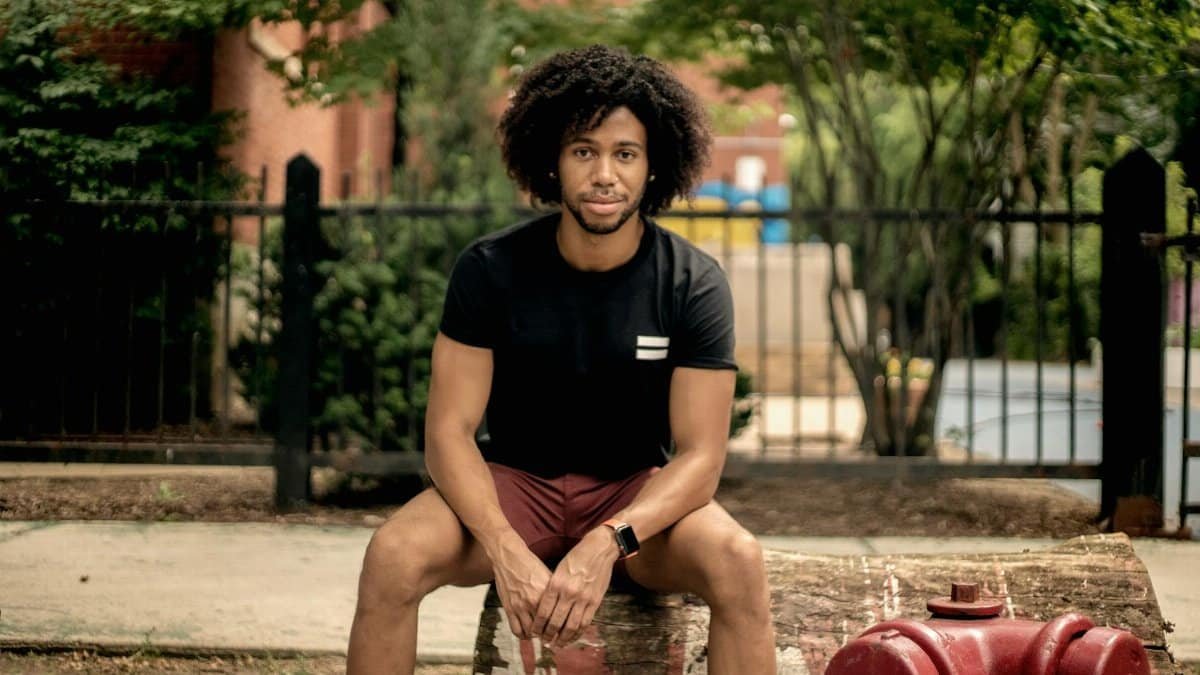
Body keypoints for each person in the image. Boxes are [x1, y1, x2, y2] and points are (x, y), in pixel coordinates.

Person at [346, 44, 776, 674]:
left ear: (654, 166)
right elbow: (448, 433)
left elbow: (701, 458)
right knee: (392, 556)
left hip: (634, 499)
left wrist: (608, 542)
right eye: (584, 151)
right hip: (513, 487)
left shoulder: (692, 282)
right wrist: (503, 547)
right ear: (552, 162)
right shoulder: (489, 271)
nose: (605, 174)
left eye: (625, 153)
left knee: (738, 561)